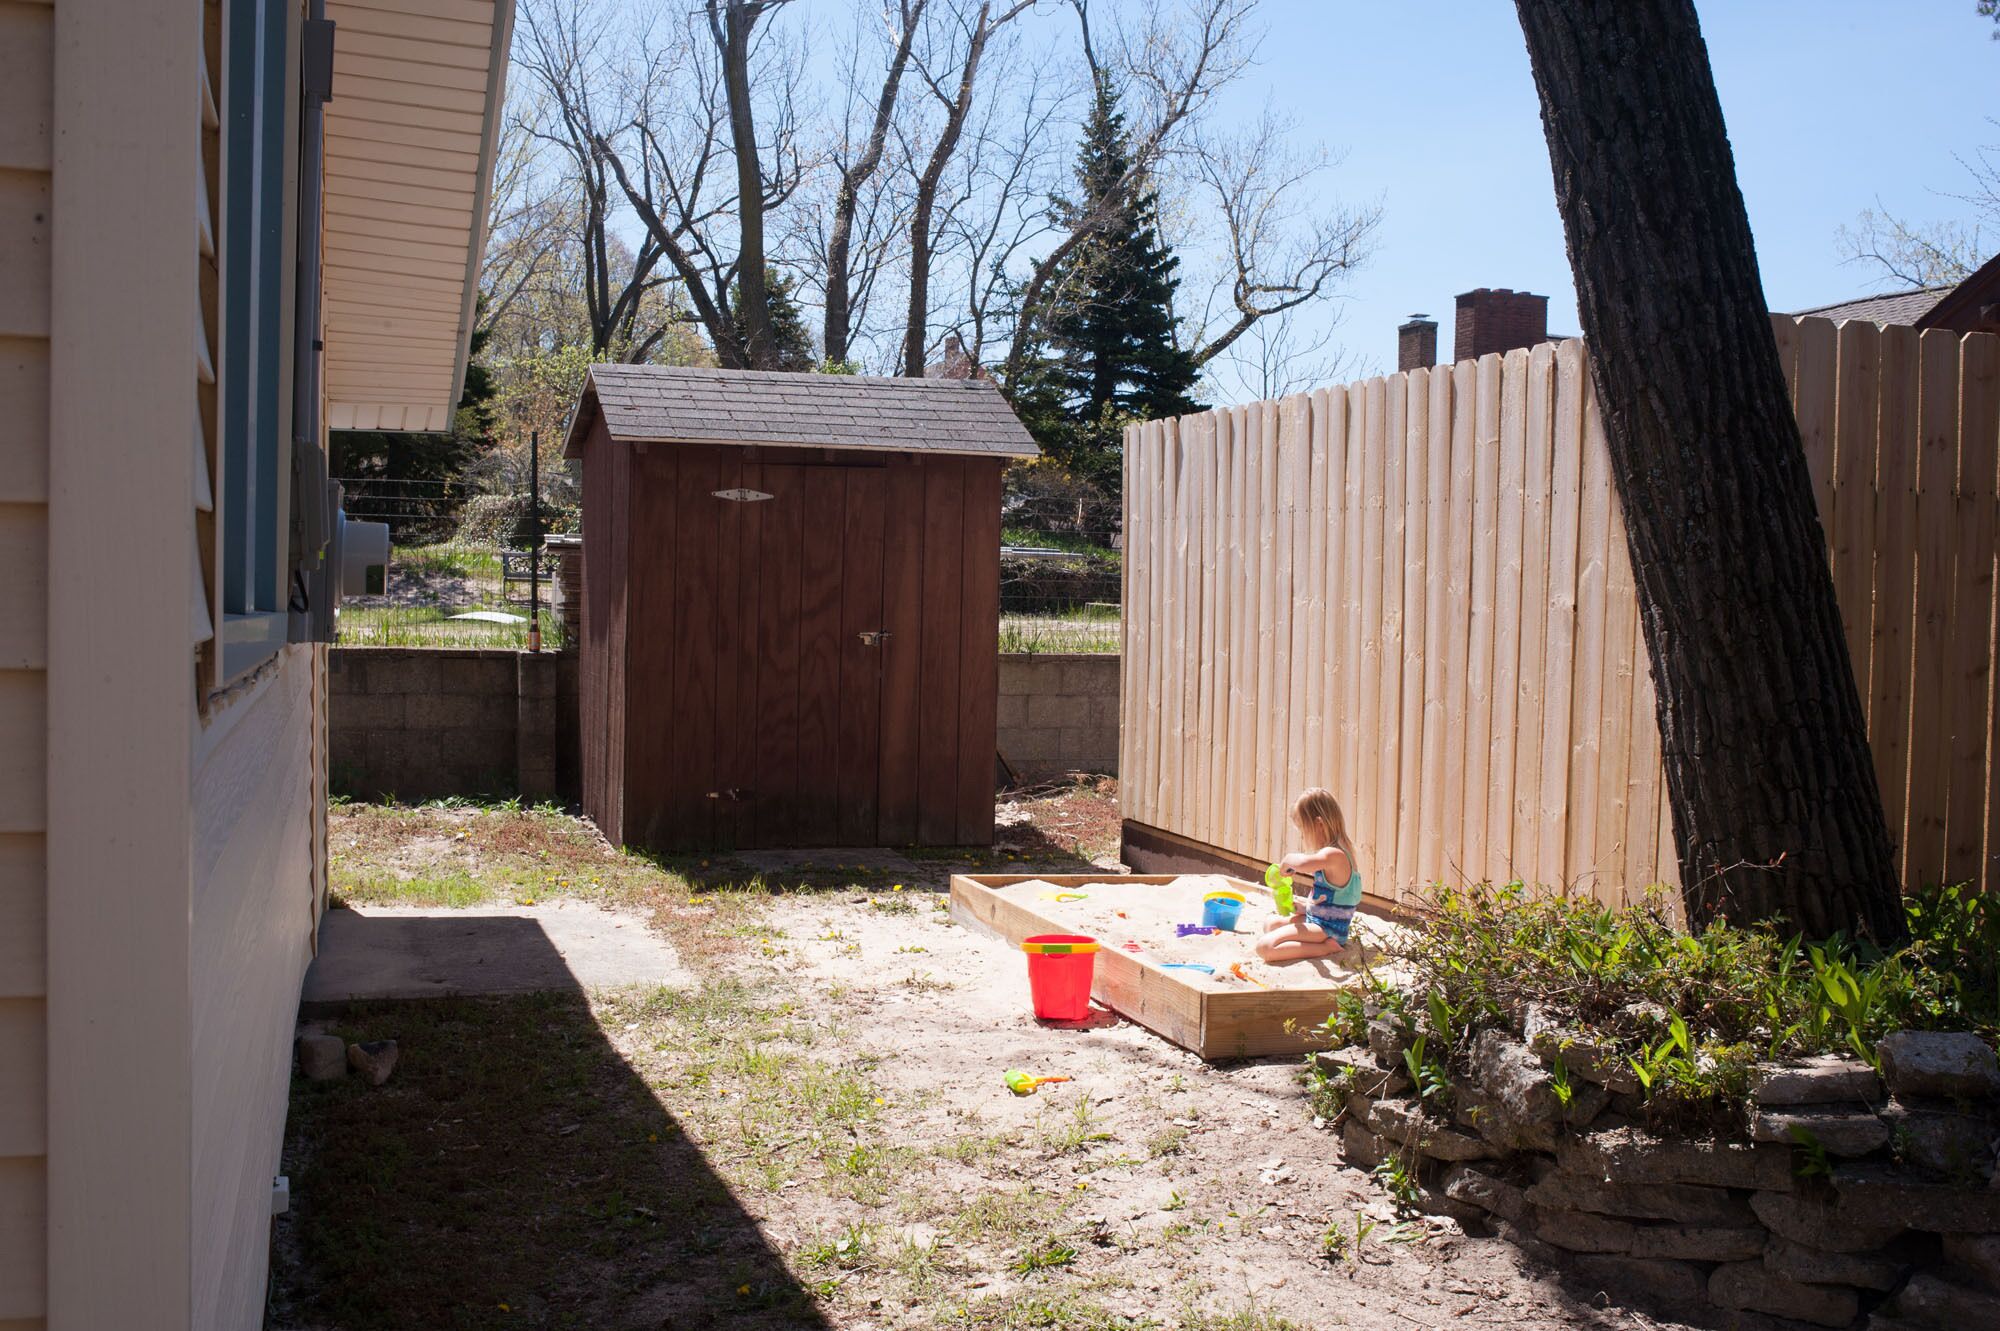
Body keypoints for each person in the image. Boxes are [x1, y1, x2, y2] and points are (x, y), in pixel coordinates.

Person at [1253, 788, 1363, 962]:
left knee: (1265, 948)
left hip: (1327, 929)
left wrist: (1288, 860)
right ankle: (1319, 943)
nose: (1303, 836)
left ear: (1319, 825)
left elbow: (1303, 864)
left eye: (1303, 830)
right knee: (1270, 924)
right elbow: (1334, 902)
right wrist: (1306, 908)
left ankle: (1326, 947)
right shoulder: (1334, 854)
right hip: (1318, 919)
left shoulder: (1334, 855)